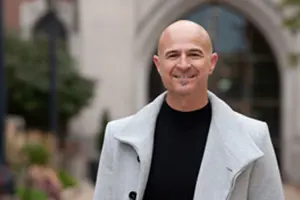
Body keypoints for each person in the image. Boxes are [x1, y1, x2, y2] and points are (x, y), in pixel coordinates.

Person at [93, 20, 284, 200]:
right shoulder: (117, 137)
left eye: (194, 54)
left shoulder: (254, 137)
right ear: (159, 65)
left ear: (212, 63)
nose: (183, 65)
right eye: (173, 55)